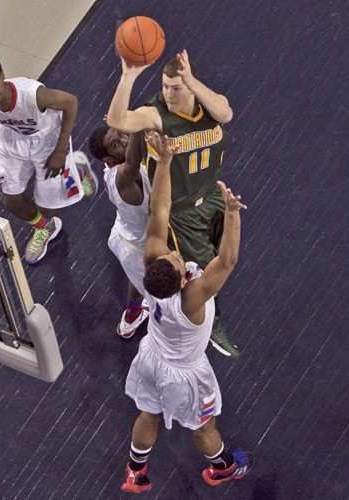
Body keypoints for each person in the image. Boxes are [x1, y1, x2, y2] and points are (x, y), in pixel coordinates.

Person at [121, 131, 252, 493]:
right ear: (181, 282)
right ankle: (222, 467)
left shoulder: (152, 263)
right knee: (204, 426)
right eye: (179, 262)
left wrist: (163, 163)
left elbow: (160, 211)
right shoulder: (191, 298)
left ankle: (135, 471)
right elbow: (227, 260)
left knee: (148, 413)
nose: (178, 255)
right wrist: (231, 215)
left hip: (150, 358)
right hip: (185, 375)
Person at [107, 49, 240, 357]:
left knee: (225, 252)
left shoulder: (209, 106)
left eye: (175, 87)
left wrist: (191, 82)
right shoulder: (156, 114)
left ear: (191, 85)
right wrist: (128, 77)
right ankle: (212, 321)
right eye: (164, 86)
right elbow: (118, 119)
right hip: (179, 213)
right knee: (209, 271)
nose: (168, 93)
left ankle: (142, 305)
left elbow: (226, 114)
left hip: (212, 198)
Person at [0, 54, 98, 264]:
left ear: (3, 76)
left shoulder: (32, 95)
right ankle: (45, 227)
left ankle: (76, 167)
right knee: (11, 200)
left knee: (49, 207)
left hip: (48, 141)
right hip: (12, 139)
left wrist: (60, 151)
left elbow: (71, 103)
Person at [88, 126, 150, 338]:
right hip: (139, 247)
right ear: (107, 157)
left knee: (136, 280)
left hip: (127, 234)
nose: (124, 141)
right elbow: (134, 161)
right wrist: (136, 126)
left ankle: (132, 314)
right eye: (116, 144)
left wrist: (125, 123)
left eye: (122, 135)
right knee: (166, 298)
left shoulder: (120, 163)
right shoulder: (123, 176)